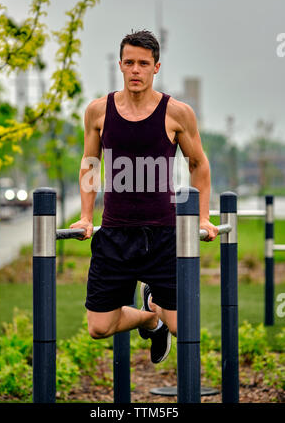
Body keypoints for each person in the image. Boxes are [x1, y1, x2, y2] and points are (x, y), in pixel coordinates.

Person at [70, 29, 218, 363]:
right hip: (115, 235)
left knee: (185, 326)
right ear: (120, 66)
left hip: (162, 235)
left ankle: (156, 305)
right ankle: (151, 316)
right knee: (99, 327)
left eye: (143, 63)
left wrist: (204, 217)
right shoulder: (98, 111)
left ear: (156, 67)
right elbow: (90, 163)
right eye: (130, 62)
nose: (136, 70)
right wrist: (86, 216)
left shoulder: (176, 113)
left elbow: (198, 164)